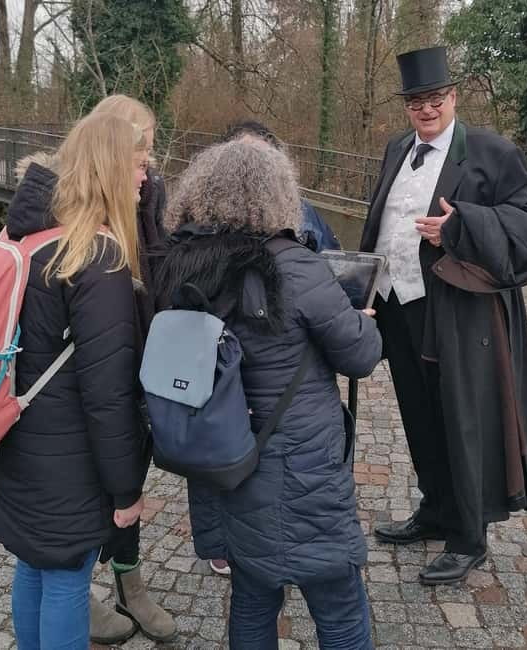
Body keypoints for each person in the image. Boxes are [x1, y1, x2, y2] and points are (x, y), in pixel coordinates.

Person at [156, 138, 382, 649]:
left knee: (253, 599)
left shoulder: (183, 264)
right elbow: (361, 356)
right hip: (304, 468)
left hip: (228, 458)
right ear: (278, 194)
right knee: (340, 603)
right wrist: (359, 321)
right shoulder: (298, 267)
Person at [359, 45, 527, 585]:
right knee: (418, 415)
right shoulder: (398, 147)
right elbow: (381, 221)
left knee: (461, 419)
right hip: (398, 307)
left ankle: (469, 536)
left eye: (435, 98)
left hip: (456, 312)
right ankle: (436, 509)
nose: (427, 109)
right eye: (417, 100)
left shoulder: (491, 151)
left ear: (454, 97)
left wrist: (460, 227)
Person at [0, 112, 151, 649]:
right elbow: (108, 395)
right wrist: (126, 489)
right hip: (70, 459)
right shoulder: (98, 257)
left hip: (19, 440)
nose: (145, 177)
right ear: (110, 169)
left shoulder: (31, 238)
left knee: (33, 565)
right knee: (67, 578)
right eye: (140, 163)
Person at [87, 94, 176, 644]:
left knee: (130, 469)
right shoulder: (74, 198)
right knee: (87, 475)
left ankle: (129, 581)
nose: (149, 164)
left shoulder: (151, 191)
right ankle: (76, 586)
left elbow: (161, 267)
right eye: (141, 150)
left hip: (140, 352)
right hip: (94, 355)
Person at [223, 120, 341, 252]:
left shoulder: (303, 212)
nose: (256, 167)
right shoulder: (210, 223)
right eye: (246, 158)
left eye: (265, 158)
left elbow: (333, 259)